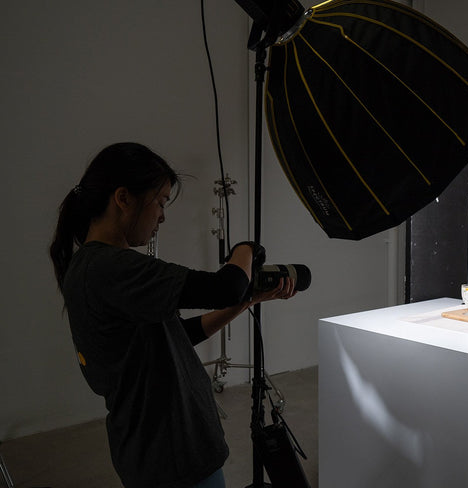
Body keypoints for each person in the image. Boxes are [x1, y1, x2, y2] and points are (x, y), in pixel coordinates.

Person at [49, 142, 296, 488]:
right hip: (172, 454)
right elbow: (226, 286)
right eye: (161, 202)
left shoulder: (94, 267)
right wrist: (246, 248)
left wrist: (247, 301)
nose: (162, 217)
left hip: (160, 449)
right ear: (123, 198)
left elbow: (180, 333)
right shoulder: (111, 267)